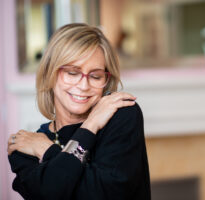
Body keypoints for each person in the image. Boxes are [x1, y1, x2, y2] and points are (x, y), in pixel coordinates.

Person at [7, 23, 151, 200]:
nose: (84, 86)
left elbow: (107, 195)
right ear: (49, 74)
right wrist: (90, 127)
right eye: (72, 73)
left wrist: (48, 150)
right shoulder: (25, 147)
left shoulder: (121, 114)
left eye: (95, 76)